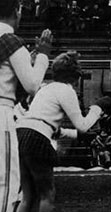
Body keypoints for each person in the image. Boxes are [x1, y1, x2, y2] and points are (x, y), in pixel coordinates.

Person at [16, 51, 111, 212]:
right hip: (36, 138)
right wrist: (97, 108)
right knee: (47, 194)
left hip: (22, 133)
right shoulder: (66, 90)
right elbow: (82, 125)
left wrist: (75, 135)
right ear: (76, 76)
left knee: (28, 196)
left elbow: (49, 126)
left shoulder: (45, 88)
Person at [0, 0, 52, 210]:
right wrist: (42, 56)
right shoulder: (10, 39)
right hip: (2, 112)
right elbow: (32, 85)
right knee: (5, 184)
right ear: (17, 11)